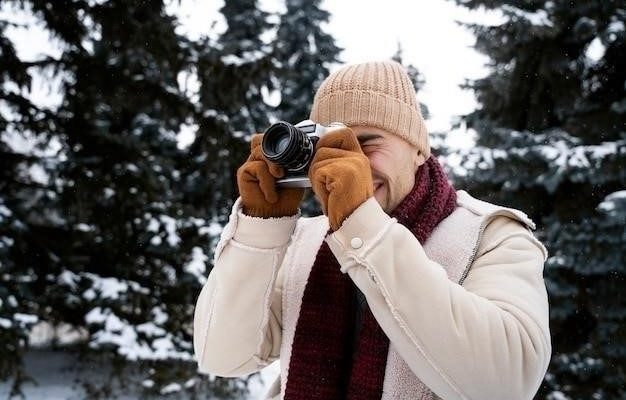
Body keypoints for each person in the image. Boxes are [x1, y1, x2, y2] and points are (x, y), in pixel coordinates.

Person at [193, 60, 551, 400]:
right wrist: (259, 229)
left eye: (366, 143)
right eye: (330, 150)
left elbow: (507, 383)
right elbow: (223, 356)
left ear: (419, 150)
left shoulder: (491, 234)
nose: (351, 164)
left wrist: (362, 225)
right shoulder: (305, 240)